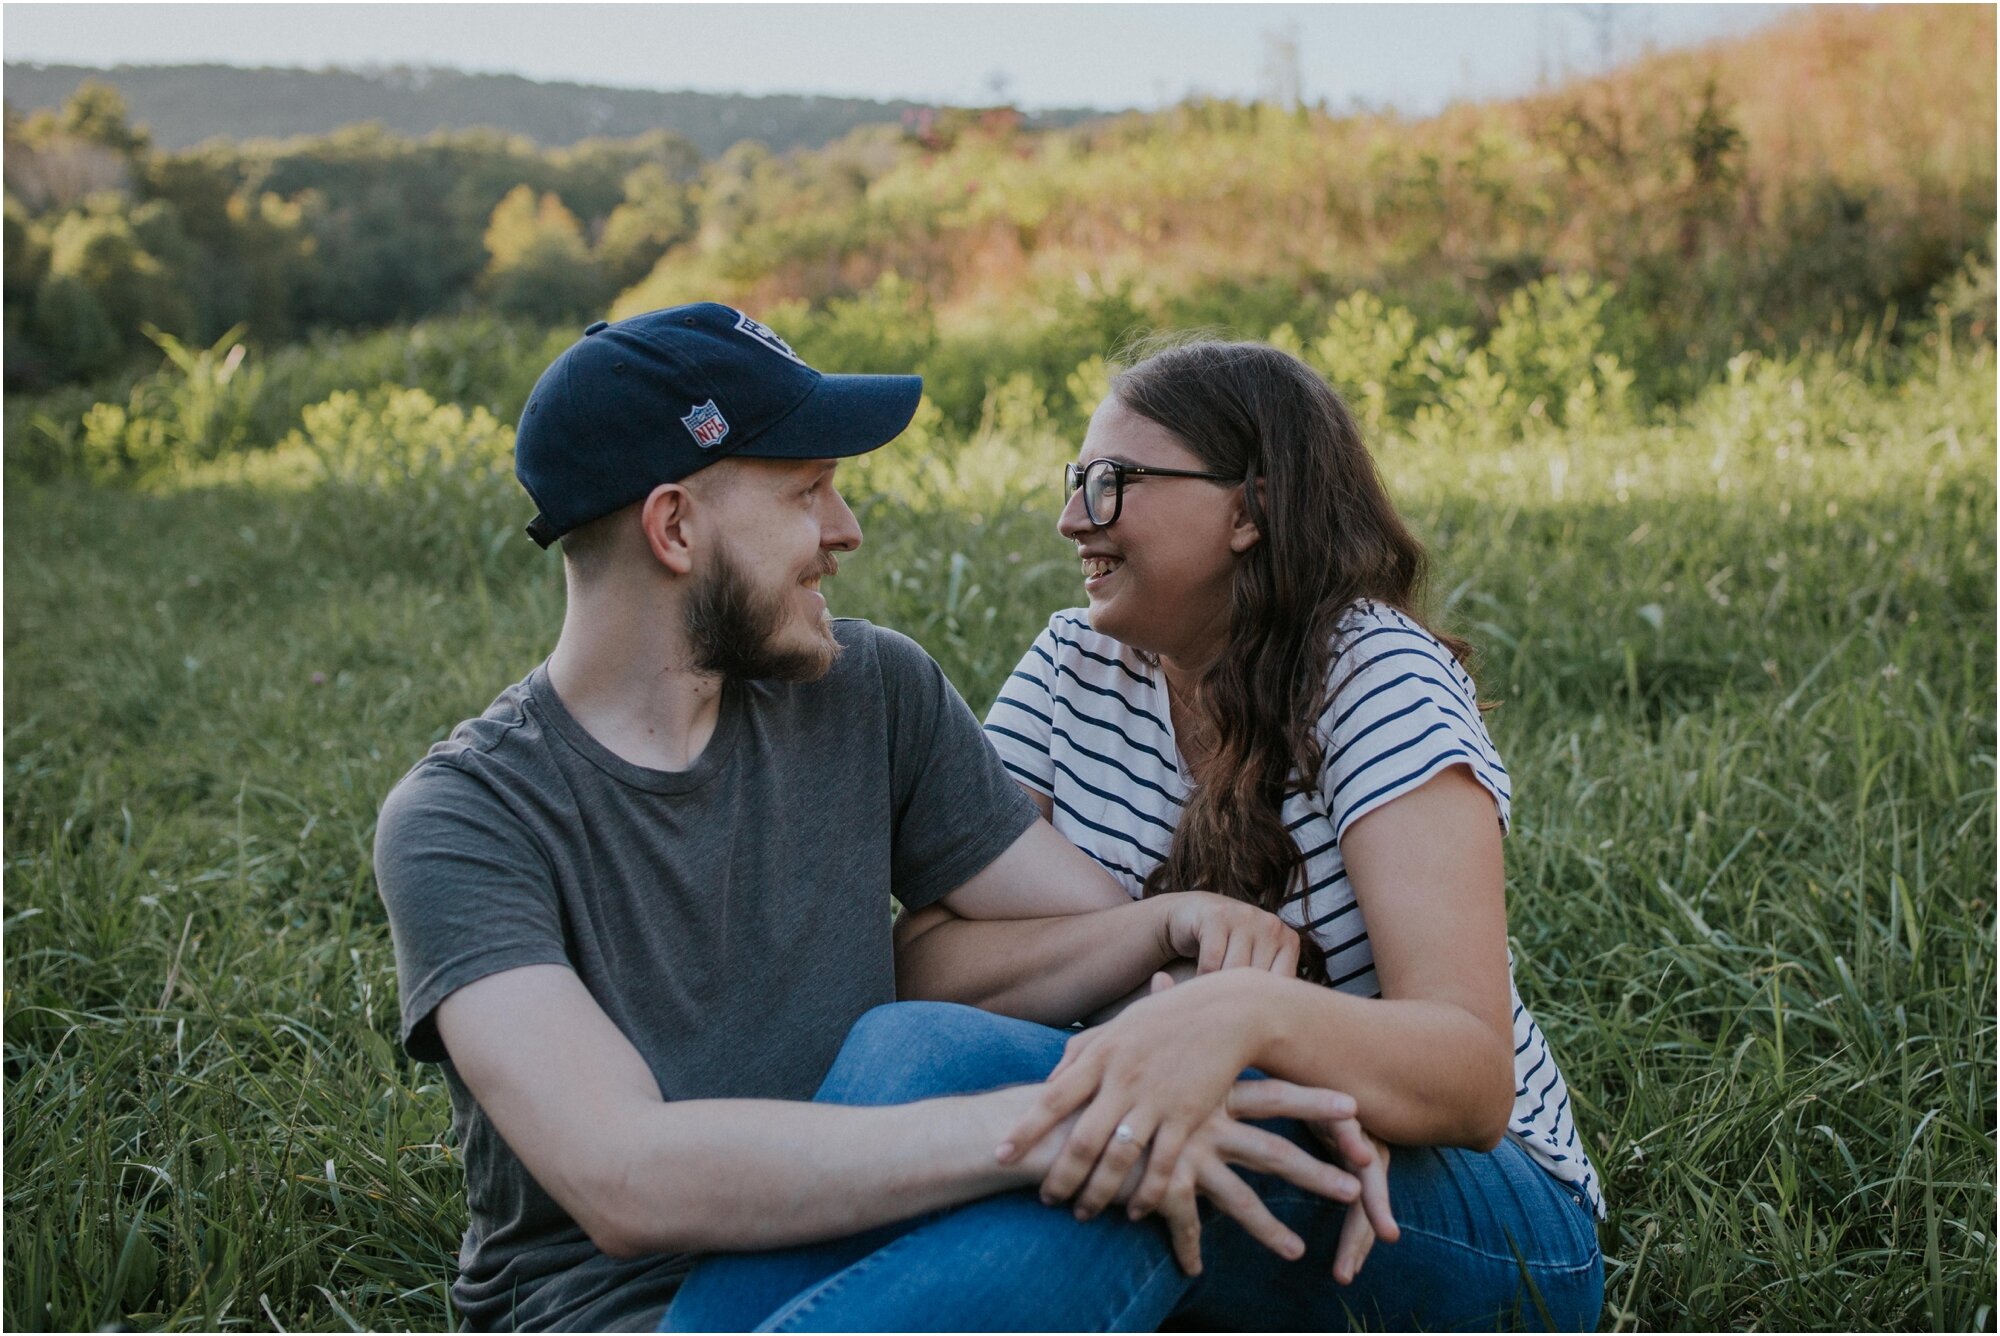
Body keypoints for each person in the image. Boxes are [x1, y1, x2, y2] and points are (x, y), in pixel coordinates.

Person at [372, 305, 1377, 1332]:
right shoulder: (463, 815)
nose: (844, 529)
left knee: (1127, 1189)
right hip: (625, 1312)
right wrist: (1062, 1122)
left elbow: (1084, 930)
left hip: (882, 1233)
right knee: (1115, 1176)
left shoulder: (869, 692)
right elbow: (625, 1179)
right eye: (807, 490)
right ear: (673, 527)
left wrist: (1175, 933)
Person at [961, 337, 1608, 1330]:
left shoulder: (1371, 675)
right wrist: (1162, 927)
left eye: (1109, 483)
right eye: (1074, 481)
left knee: (1137, 1141)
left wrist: (1239, 1021)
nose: (1070, 519)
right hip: (1151, 1107)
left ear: (1248, 510)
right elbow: (931, 968)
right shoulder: (1070, 666)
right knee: (907, 1053)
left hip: (1477, 1212)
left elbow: (1470, 1075)